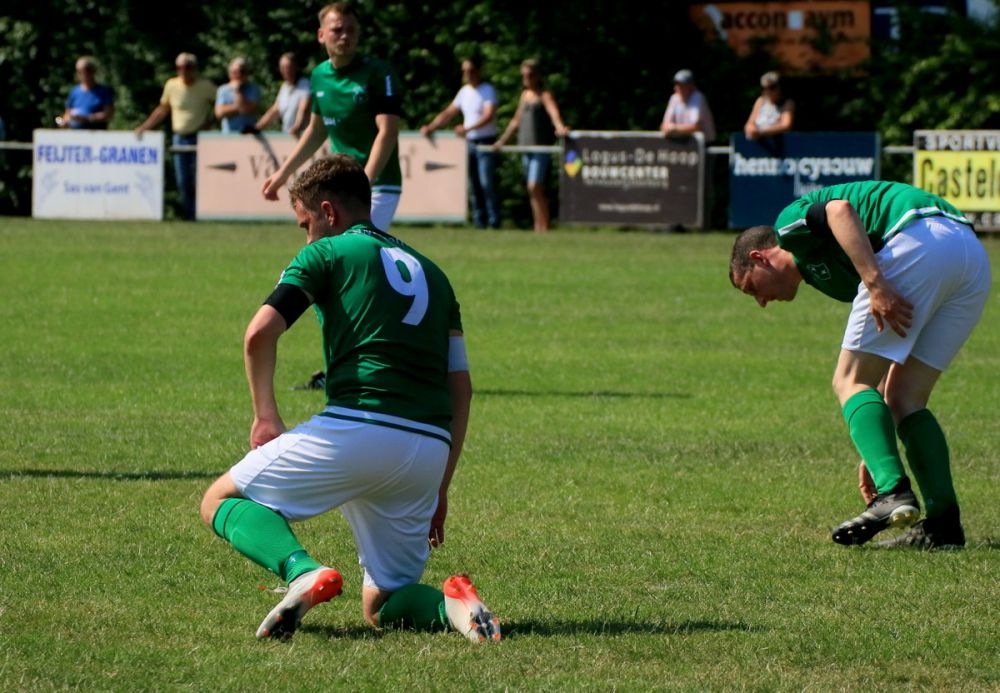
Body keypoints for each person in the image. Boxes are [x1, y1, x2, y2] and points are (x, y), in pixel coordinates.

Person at [199, 155, 500, 642]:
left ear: (327, 211)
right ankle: (455, 608)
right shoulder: (435, 275)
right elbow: (460, 386)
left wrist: (265, 416)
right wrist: (440, 486)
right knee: (383, 603)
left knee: (220, 500)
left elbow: (258, 335)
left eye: (305, 224)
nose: (306, 237)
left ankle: (301, 571)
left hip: (359, 428)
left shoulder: (326, 254)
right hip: (426, 449)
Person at [729, 180, 990, 549]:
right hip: (968, 253)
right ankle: (944, 526)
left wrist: (874, 282)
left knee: (847, 380)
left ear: (759, 258)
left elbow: (839, 210)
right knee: (905, 398)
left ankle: (892, 493)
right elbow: (881, 374)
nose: (760, 302)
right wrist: (878, 450)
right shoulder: (827, 276)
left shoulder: (788, 227)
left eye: (751, 288)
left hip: (916, 237)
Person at [262, 2, 403, 233]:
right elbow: (316, 131)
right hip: (340, 184)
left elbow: (387, 131)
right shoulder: (318, 75)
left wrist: (364, 184)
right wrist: (282, 174)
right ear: (321, 34)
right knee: (332, 253)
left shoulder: (379, 72)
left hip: (377, 185)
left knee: (354, 252)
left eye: (351, 30)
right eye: (337, 30)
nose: (345, 36)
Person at [421, 57, 501, 229]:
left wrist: (468, 128)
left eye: (471, 70)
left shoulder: (488, 90)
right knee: (474, 183)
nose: (467, 74)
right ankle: (480, 221)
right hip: (469, 143)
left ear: (479, 71)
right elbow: (449, 112)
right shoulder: (464, 92)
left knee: (486, 182)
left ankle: (494, 221)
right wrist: (432, 126)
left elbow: (489, 115)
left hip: (485, 142)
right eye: (465, 71)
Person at [135, 53, 217, 220]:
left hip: (200, 137)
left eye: (187, 67)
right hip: (179, 137)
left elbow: (219, 104)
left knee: (199, 180)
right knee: (182, 180)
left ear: (194, 68)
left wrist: (210, 123)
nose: (184, 71)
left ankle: (201, 214)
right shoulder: (172, 85)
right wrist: (145, 127)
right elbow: (163, 109)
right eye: (180, 67)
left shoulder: (205, 86)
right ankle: (188, 216)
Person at [494, 59, 570, 232]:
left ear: (537, 76)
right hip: (525, 148)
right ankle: (539, 225)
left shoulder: (544, 95)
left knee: (534, 185)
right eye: (524, 75)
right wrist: (502, 141)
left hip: (540, 148)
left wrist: (559, 127)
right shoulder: (525, 96)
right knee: (533, 190)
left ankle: (545, 224)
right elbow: (516, 121)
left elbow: (554, 113)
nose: (526, 78)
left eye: (529, 75)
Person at [254, 53, 311, 137]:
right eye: (283, 67)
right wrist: (256, 127)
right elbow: (274, 111)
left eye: (289, 67)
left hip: (302, 135)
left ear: (296, 67)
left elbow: (303, 108)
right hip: (288, 134)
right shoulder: (284, 87)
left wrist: (297, 126)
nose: (286, 70)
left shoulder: (305, 84)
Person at [58, 56, 114, 130]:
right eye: (79, 72)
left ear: (92, 72)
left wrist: (87, 118)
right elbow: (68, 114)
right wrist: (64, 122)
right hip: (76, 136)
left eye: (86, 71)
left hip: (96, 135)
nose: (83, 74)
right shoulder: (74, 92)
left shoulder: (103, 91)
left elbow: (108, 114)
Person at [660, 69, 715, 142]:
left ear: (691, 86)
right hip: (684, 143)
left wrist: (674, 129)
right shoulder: (674, 98)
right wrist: (671, 128)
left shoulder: (698, 97)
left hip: (704, 144)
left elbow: (696, 127)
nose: (678, 88)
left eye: (682, 85)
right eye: (677, 84)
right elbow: (664, 126)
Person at [215, 57, 262, 134]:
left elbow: (249, 109)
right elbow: (219, 113)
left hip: (250, 136)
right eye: (235, 72)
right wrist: (240, 107)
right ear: (229, 73)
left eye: (242, 72)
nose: (239, 75)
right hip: (228, 135)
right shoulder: (222, 90)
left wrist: (237, 91)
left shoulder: (254, 89)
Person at [743, 71, 794, 140]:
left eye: (772, 87)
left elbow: (786, 125)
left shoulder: (787, 102)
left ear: (779, 87)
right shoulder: (760, 101)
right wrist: (751, 128)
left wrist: (761, 131)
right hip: (758, 143)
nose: (768, 91)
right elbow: (750, 123)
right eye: (765, 88)